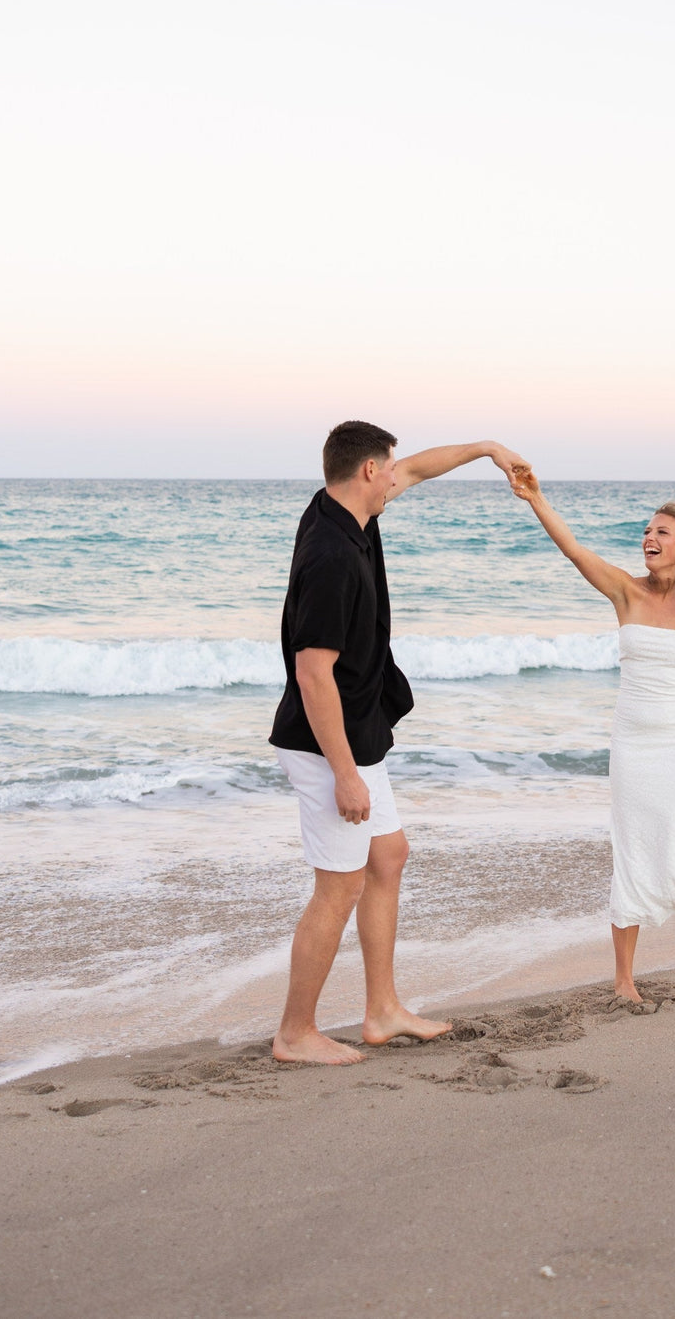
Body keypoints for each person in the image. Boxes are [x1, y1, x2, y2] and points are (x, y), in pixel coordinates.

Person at [269, 420, 527, 1065]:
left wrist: (489, 448)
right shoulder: (331, 553)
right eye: (388, 468)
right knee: (339, 885)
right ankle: (294, 1033)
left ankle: (381, 1011)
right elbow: (312, 672)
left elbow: (418, 468)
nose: (397, 477)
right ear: (365, 472)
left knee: (389, 857)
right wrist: (345, 775)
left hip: (358, 735)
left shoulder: (346, 508)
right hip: (327, 746)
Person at [510, 470, 675, 1001]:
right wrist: (537, 498)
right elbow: (573, 549)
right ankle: (623, 979)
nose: (650, 537)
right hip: (632, 743)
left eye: (663, 532)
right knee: (632, 847)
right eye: (648, 530)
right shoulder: (625, 591)